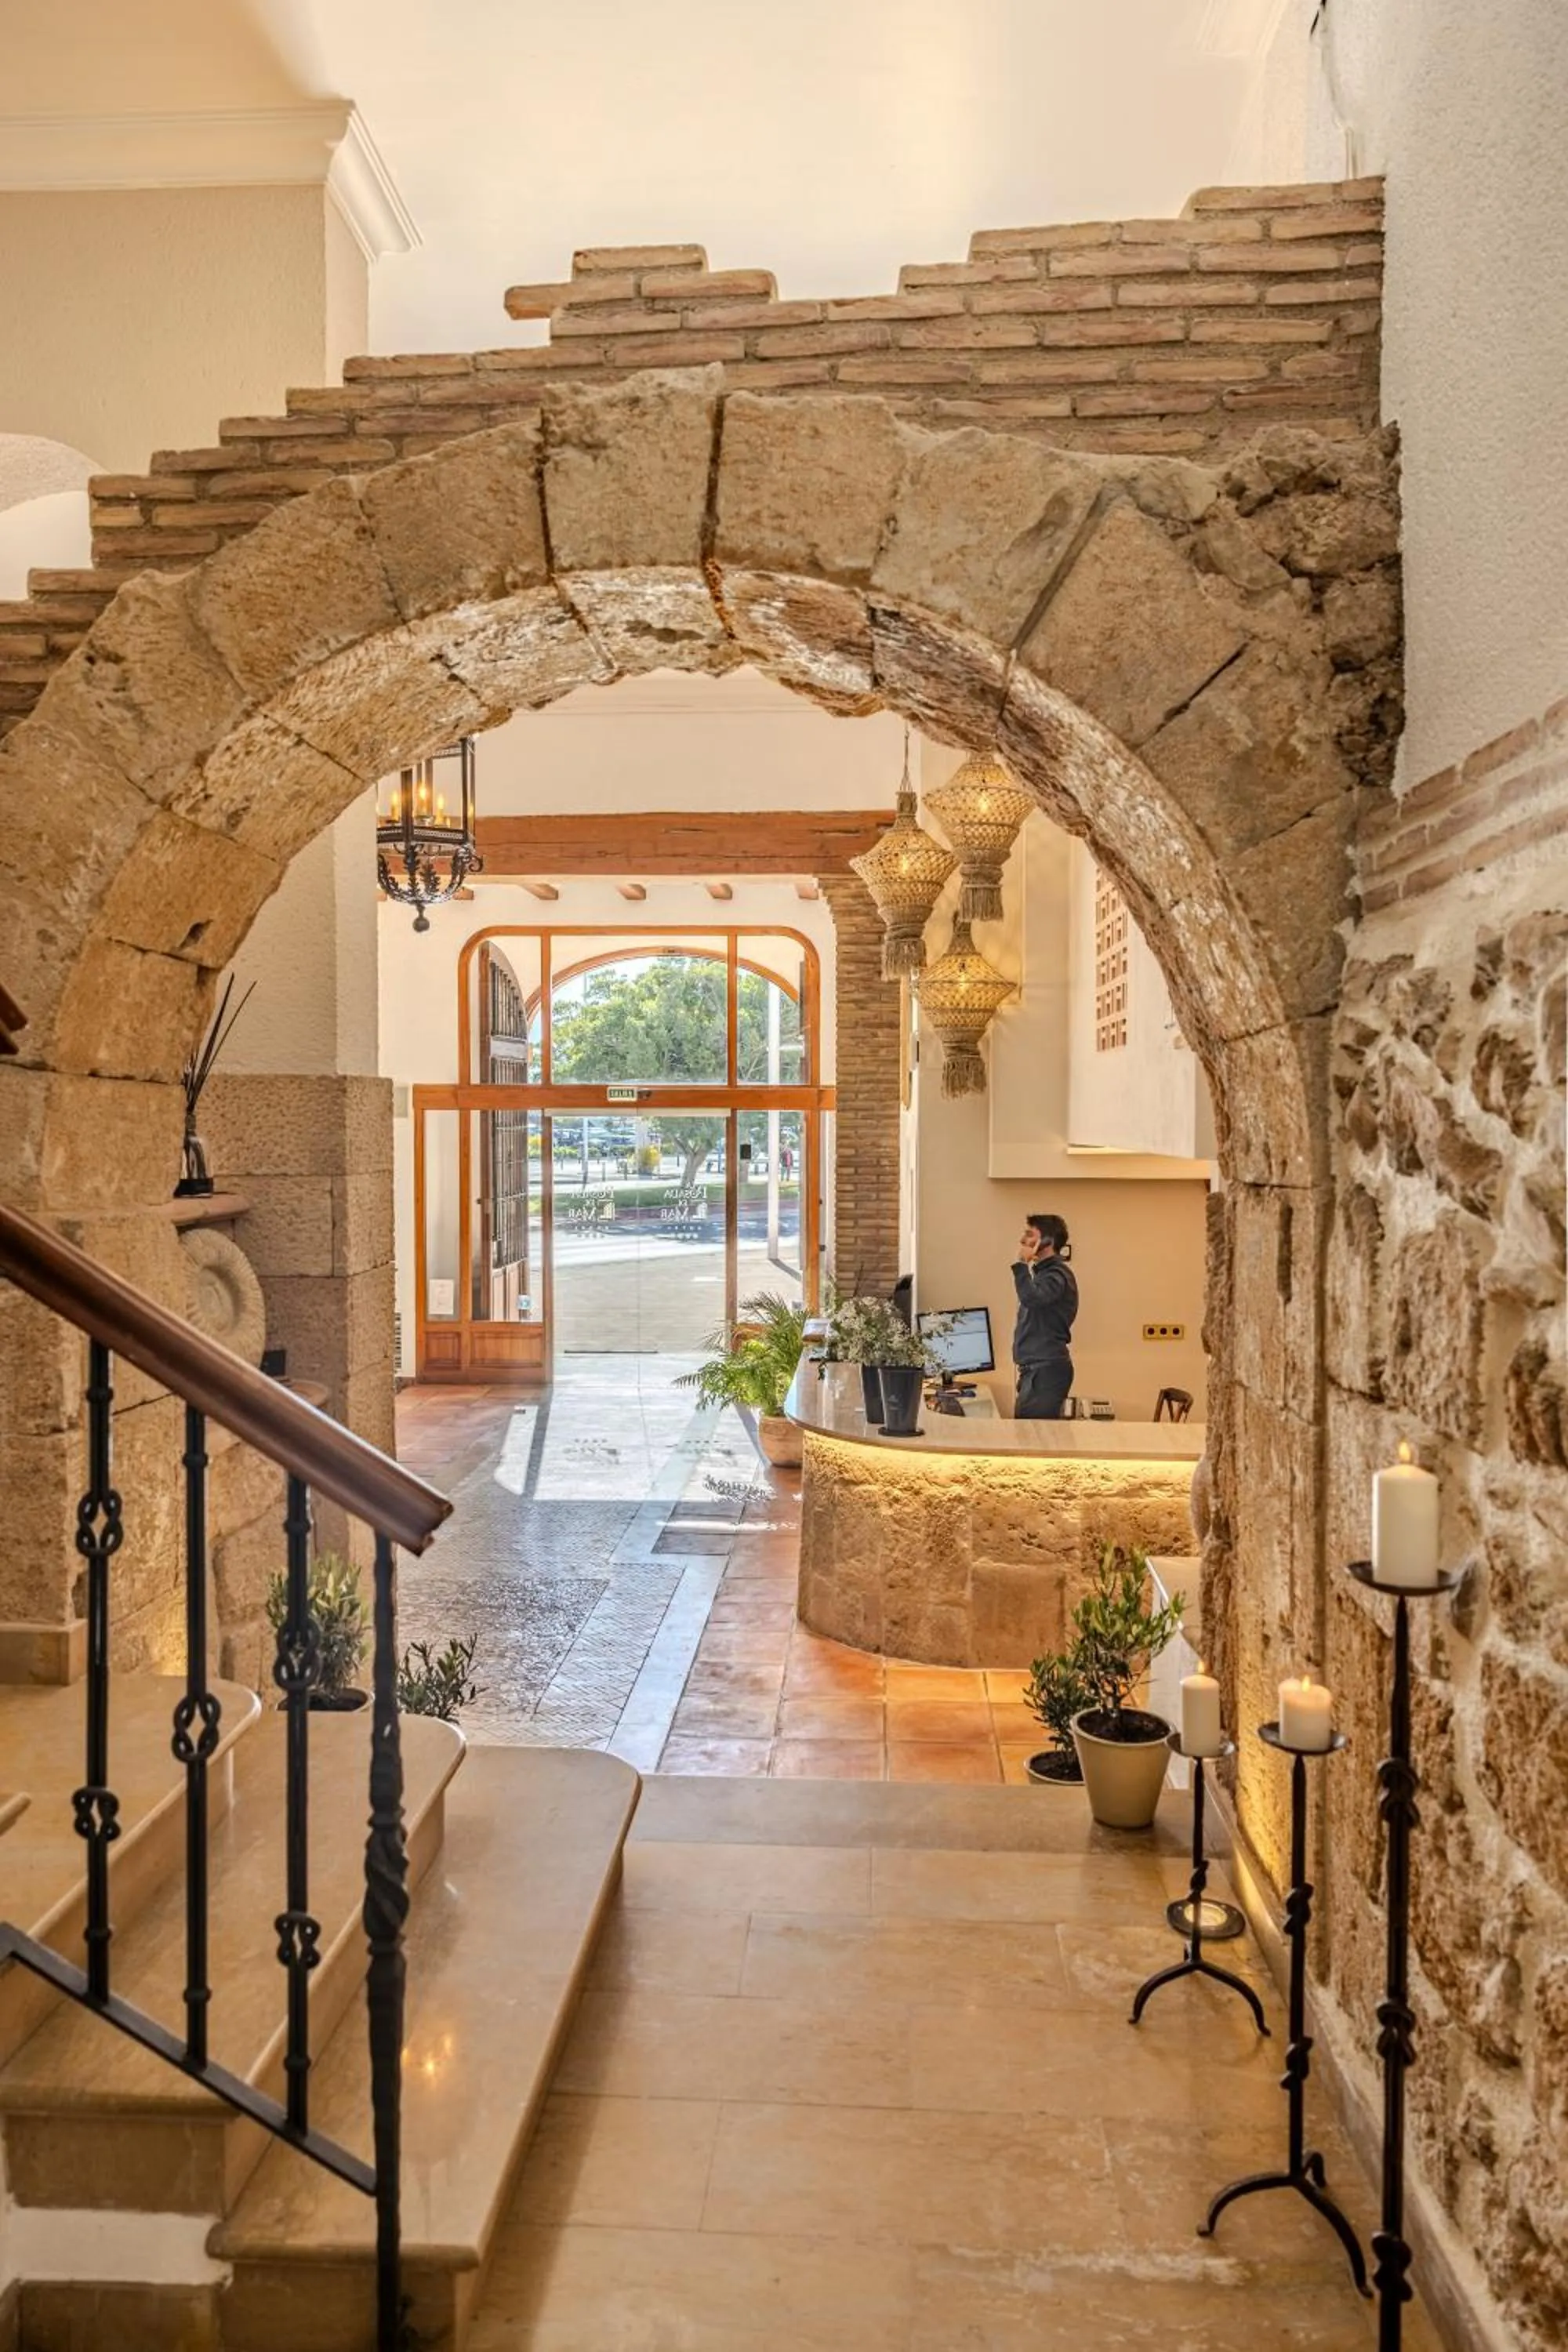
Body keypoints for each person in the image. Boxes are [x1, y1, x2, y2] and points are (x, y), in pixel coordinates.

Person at [1011, 1213, 1077, 1419]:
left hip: (1046, 1372)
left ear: (1047, 1241)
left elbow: (1031, 1298)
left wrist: (1022, 1263)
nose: (1023, 1240)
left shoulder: (1056, 1275)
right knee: (1029, 1436)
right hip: (1038, 1371)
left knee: (1032, 1440)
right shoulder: (1044, 1275)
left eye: (1030, 1234)